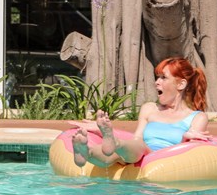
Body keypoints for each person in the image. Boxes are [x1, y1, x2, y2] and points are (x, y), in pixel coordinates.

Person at [72, 56, 210, 168]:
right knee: (120, 153)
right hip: (138, 153)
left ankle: (115, 142)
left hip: (165, 159)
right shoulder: (149, 108)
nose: (156, 82)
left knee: (140, 147)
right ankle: (86, 152)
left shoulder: (197, 118)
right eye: (157, 77)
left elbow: (189, 156)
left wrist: (185, 139)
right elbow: (137, 138)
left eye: (163, 77)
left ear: (181, 84)